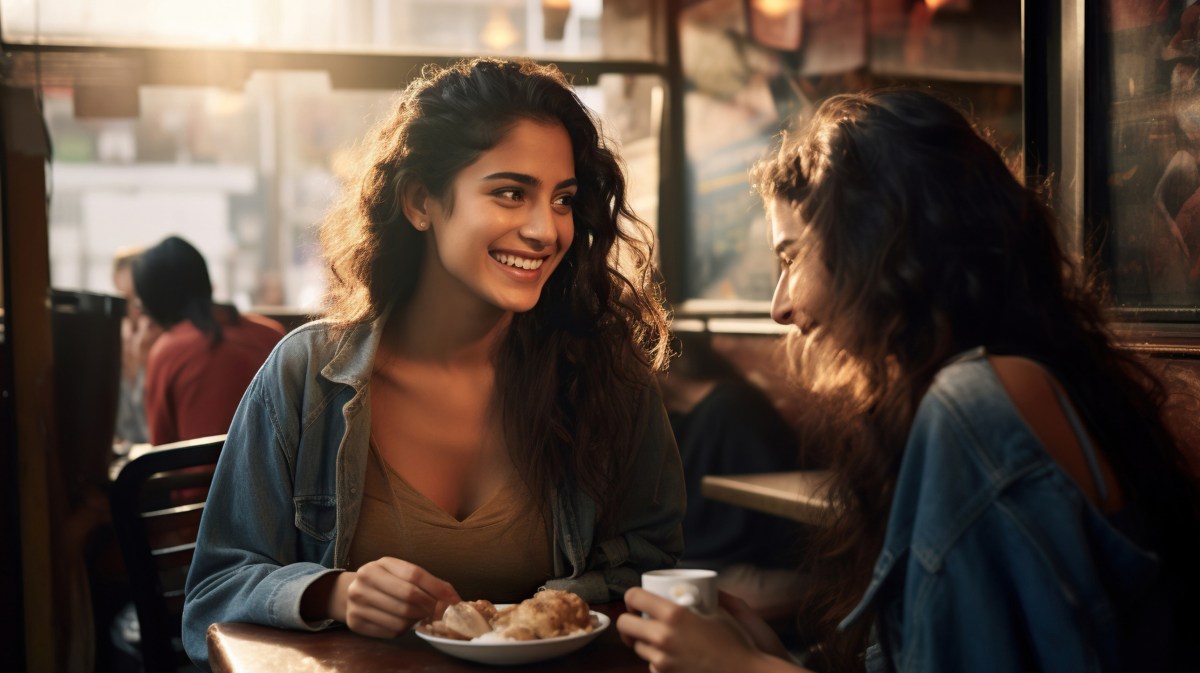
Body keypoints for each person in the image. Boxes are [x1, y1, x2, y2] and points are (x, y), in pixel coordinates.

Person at [617, 89, 1200, 672]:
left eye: (791, 258)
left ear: (878, 242)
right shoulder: (1016, 378)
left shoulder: (977, 403)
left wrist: (744, 670)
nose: (780, 306)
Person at [182, 58, 685, 669]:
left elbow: (655, 569)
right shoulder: (309, 377)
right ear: (421, 201)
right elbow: (211, 597)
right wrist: (334, 593)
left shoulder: (607, 378)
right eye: (510, 192)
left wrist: (546, 611)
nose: (545, 229)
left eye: (563, 200)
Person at [658, 329, 805, 620]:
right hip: (704, 560)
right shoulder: (672, 420)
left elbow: (771, 522)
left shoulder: (733, 408)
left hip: (752, 563)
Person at [132, 235, 286, 444]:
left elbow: (161, 448)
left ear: (154, 303)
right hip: (275, 476)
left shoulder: (168, 351)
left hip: (198, 478)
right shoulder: (273, 335)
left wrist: (143, 367)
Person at [111, 245, 161, 445]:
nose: (132, 310)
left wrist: (141, 371)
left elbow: (150, 436)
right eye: (124, 299)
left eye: (136, 299)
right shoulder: (116, 341)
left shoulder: (163, 341)